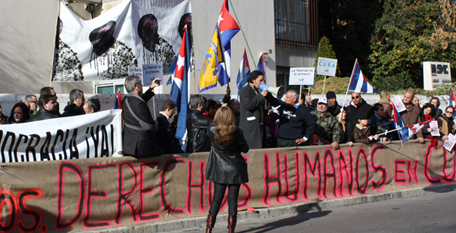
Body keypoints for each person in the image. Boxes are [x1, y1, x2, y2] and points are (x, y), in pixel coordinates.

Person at [205, 106, 249, 233]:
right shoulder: (237, 132)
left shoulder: (212, 130)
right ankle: (231, 230)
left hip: (219, 168)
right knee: (232, 200)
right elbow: (245, 148)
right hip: (235, 168)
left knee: (216, 199)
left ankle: (208, 229)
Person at [122, 76, 162, 157]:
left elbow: (139, 101)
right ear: (135, 87)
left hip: (129, 146)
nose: (142, 85)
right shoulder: (139, 104)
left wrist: (151, 88)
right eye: (140, 84)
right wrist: (155, 123)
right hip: (142, 148)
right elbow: (150, 126)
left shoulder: (125, 100)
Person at [239, 70, 276, 149]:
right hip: (250, 129)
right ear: (253, 80)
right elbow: (249, 105)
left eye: (263, 80)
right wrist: (261, 95)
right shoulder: (245, 91)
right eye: (260, 80)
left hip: (260, 127)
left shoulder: (257, 91)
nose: (262, 82)